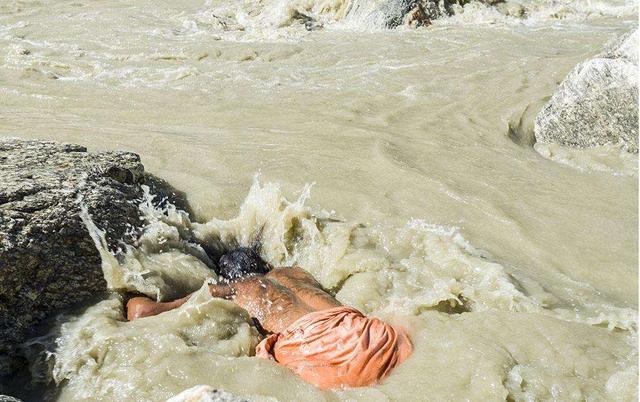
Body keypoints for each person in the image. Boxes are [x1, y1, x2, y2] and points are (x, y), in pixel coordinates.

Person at [127, 249, 412, 390]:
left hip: (315, 348)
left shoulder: (242, 288)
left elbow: (142, 313)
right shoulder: (297, 274)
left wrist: (123, 298)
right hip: (373, 338)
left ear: (232, 276)